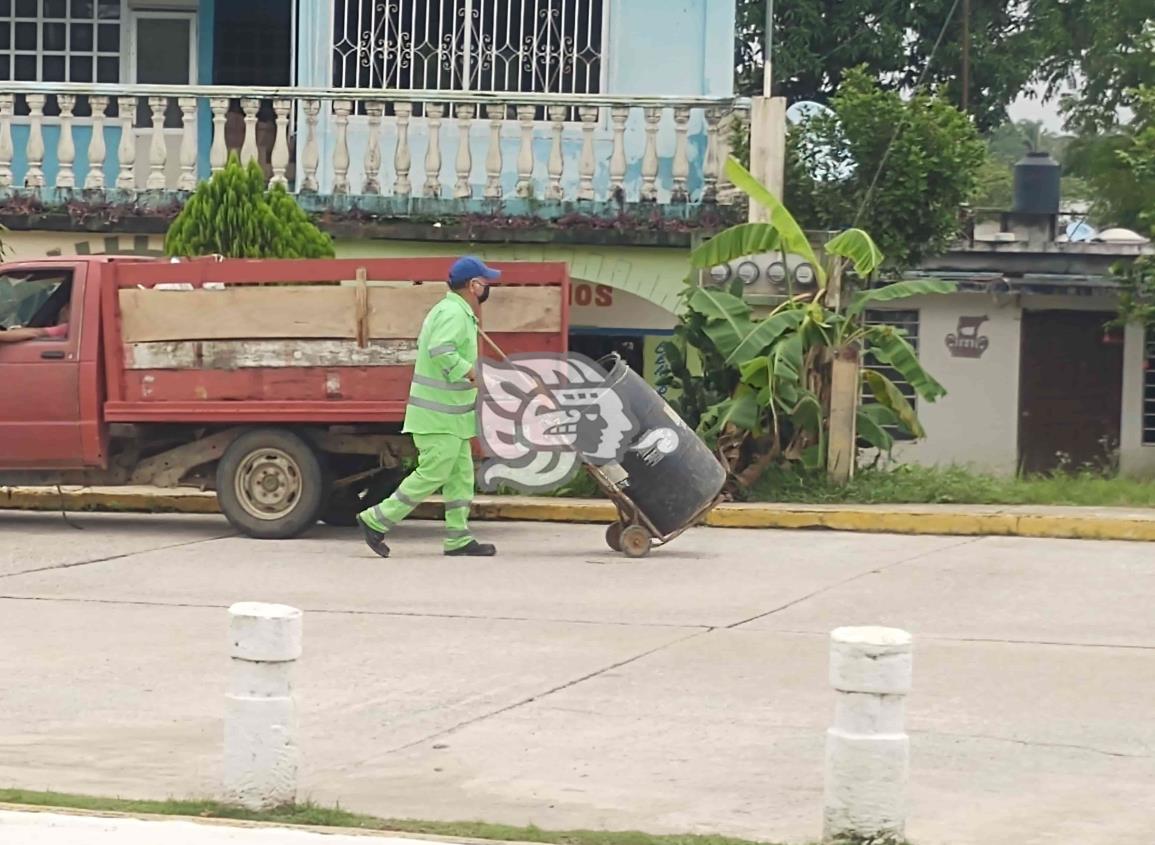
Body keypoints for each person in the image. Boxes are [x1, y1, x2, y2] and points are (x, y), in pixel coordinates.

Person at [356, 256, 500, 559]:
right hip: (438, 416)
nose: (488, 286)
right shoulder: (452, 313)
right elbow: (441, 350)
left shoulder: (457, 312)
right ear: (473, 285)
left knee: (460, 477)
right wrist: (470, 372)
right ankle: (376, 518)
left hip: (454, 417)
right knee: (434, 473)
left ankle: (458, 538)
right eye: (485, 281)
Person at [0, 302, 69, 344]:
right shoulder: (67, 329)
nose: (62, 310)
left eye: (67, 307)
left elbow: (34, 333)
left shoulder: (67, 328)